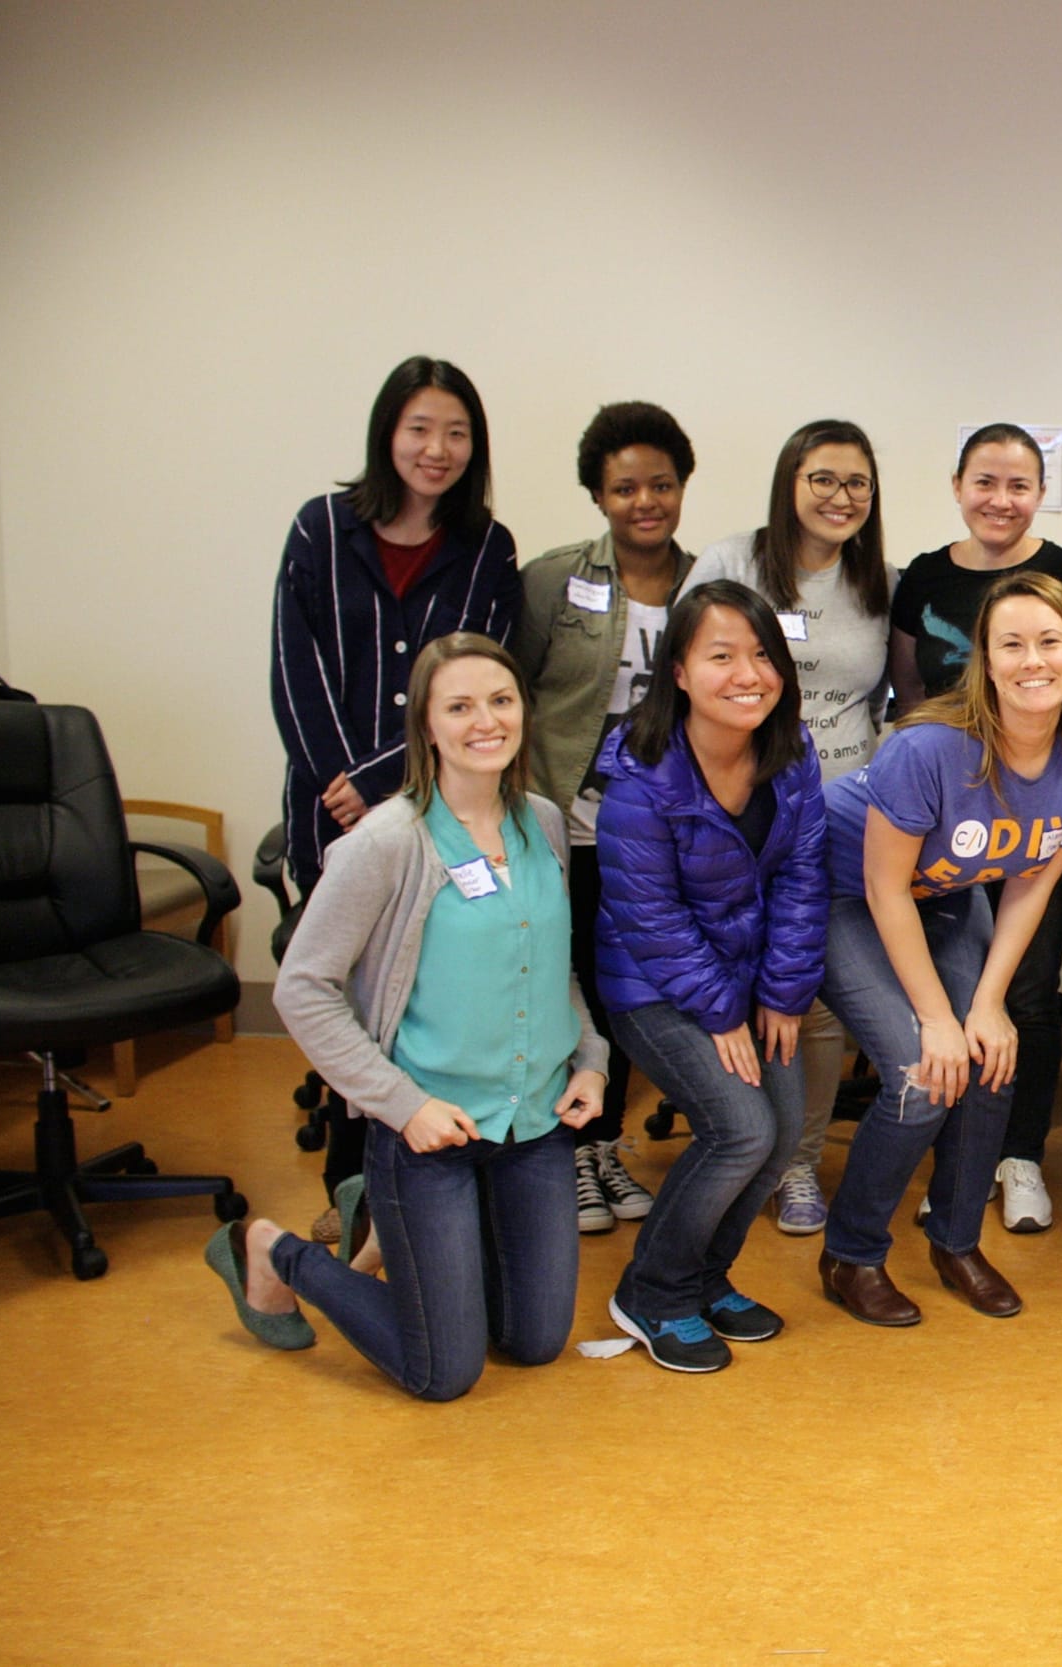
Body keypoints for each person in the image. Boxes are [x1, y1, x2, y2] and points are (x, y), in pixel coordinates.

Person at [213, 635, 607, 1400]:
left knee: (534, 1342)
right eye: (458, 706)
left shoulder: (544, 823)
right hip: (431, 1127)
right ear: (426, 726)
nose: (485, 721)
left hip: (534, 1126)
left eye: (500, 700)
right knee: (444, 1372)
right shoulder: (388, 841)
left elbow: (553, 968)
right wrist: (403, 1105)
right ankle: (272, 1252)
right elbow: (303, 987)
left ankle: (392, 1231)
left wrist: (590, 1058)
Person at [816, 572, 1062, 1324]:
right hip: (842, 897)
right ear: (984, 661)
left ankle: (953, 1242)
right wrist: (937, 1017)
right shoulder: (926, 748)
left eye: (1049, 641)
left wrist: (985, 1005)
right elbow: (886, 890)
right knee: (924, 1075)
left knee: (991, 1057)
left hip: (947, 896)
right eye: (1010, 644)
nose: (1032, 660)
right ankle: (850, 1254)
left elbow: (1034, 877)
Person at [269, 354, 521, 1237]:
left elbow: (480, 681)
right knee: (346, 994)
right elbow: (293, 671)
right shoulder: (320, 528)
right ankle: (353, 1187)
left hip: (436, 805)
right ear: (388, 433)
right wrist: (346, 786)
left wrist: (383, 782)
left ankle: (420, 1185)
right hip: (328, 812)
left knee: (418, 995)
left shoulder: (488, 547)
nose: (437, 448)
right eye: (420, 428)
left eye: (456, 432)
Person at [596, 582, 829, 1372]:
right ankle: (652, 1293)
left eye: (763, 653)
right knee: (741, 1128)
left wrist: (782, 995)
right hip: (653, 986)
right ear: (681, 673)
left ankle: (705, 1278)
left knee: (782, 1133)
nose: (748, 673)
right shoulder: (643, 773)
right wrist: (726, 1011)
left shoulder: (790, 753)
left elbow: (803, 879)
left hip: (748, 982)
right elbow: (648, 917)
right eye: (721, 655)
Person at [681, 420, 889, 1236]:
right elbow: (689, 669)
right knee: (731, 983)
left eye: (858, 484)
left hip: (838, 813)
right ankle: (735, 1147)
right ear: (789, 482)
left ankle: (798, 1163)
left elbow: (883, 702)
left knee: (817, 997)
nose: (842, 497)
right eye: (825, 478)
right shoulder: (735, 563)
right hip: (738, 811)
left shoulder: (878, 581)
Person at [888, 424, 1062, 1233]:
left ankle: (1022, 1157)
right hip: (944, 828)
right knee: (953, 993)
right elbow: (910, 699)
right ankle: (958, 1166)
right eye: (985, 482)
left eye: (1018, 485)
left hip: (1040, 820)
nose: (1000, 500)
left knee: (1029, 994)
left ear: (1040, 493)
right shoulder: (924, 579)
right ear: (957, 484)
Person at [514, 400, 699, 1234]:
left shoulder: (706, 582)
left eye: (661, 484)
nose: (645, 502)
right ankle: (564, 1153)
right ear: (599, 494)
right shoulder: (554, 580)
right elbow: (509, 694)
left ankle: (605, 1146)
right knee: (568, 986)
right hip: (562, 823)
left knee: (629, 989)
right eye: (625, 487)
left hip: (652, 831)